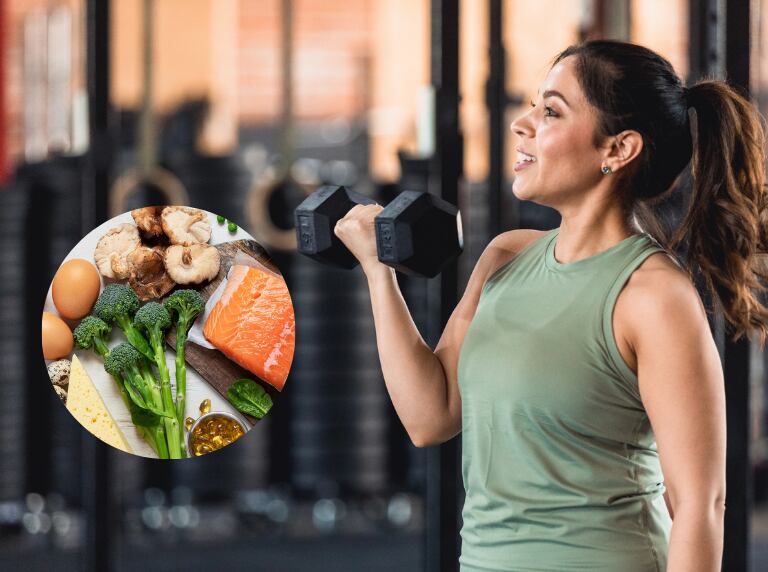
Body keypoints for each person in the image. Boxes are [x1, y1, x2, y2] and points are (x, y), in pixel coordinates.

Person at [334, 39, 768, 571]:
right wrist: (379, 275)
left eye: (552, 111)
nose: (523, 123)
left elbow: (700, 506)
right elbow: (431, 416)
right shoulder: (505, 257)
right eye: (535, 104)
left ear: (618, 149)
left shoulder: (654, 297)